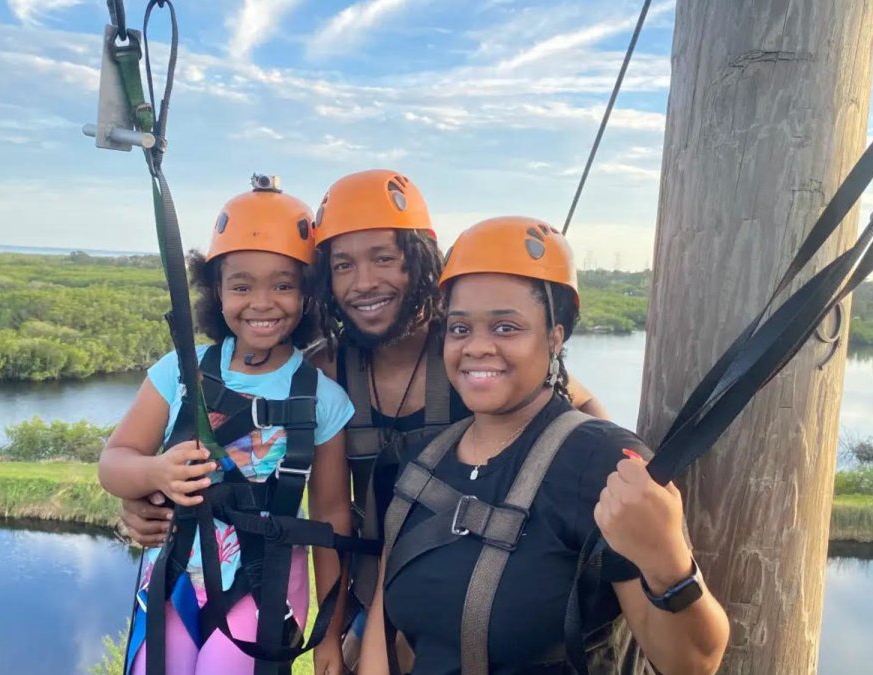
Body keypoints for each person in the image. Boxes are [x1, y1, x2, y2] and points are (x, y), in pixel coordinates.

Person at [119, 169, 610, 670]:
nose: (364, 282)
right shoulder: (323, 372)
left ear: (419, 261)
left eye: (384, 258)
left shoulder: (468, 353)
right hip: (372, 599)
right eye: (343, 265)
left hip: (482, 599)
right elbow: (291, 486)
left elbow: (579, 415)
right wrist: (149, 496)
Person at [358, 216, 729, 674]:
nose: (476, 347)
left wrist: (667, 562)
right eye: (459, 328)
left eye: (505, 327)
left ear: (555, 337)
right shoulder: (419, 462)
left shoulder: (601, 465)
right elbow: (386, 628)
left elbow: (692, 663)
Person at [98, 177, 354, 675]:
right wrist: (156, 473)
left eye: (283, 285)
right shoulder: (179, 372)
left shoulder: (322, 399)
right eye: (241, 286)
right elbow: (115, 463)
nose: (262, 302)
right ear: (216, 292)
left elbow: (330, 518)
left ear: (308, 294)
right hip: (172, 578)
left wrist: (330, 636)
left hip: (264, 586)